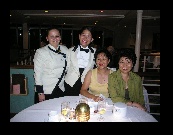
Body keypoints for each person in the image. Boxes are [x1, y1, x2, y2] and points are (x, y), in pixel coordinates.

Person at [33, 27, 68, 103]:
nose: (54, 38)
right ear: (47, 38)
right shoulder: (41, 52)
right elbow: (38, 74)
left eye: (57, 36)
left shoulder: (65, 49)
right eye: (51, 36)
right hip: (46, 90)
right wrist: (40, 92)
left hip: (60, 88)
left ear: (60, 38)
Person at [64, 26, 96, 96]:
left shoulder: (95, 52)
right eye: (83, 35)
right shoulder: (70, 51)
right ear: (79, 36)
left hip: (86, 83)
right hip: (70, 83)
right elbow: (66, 68)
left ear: (92, 39)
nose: (85, 38)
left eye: (88, 36)